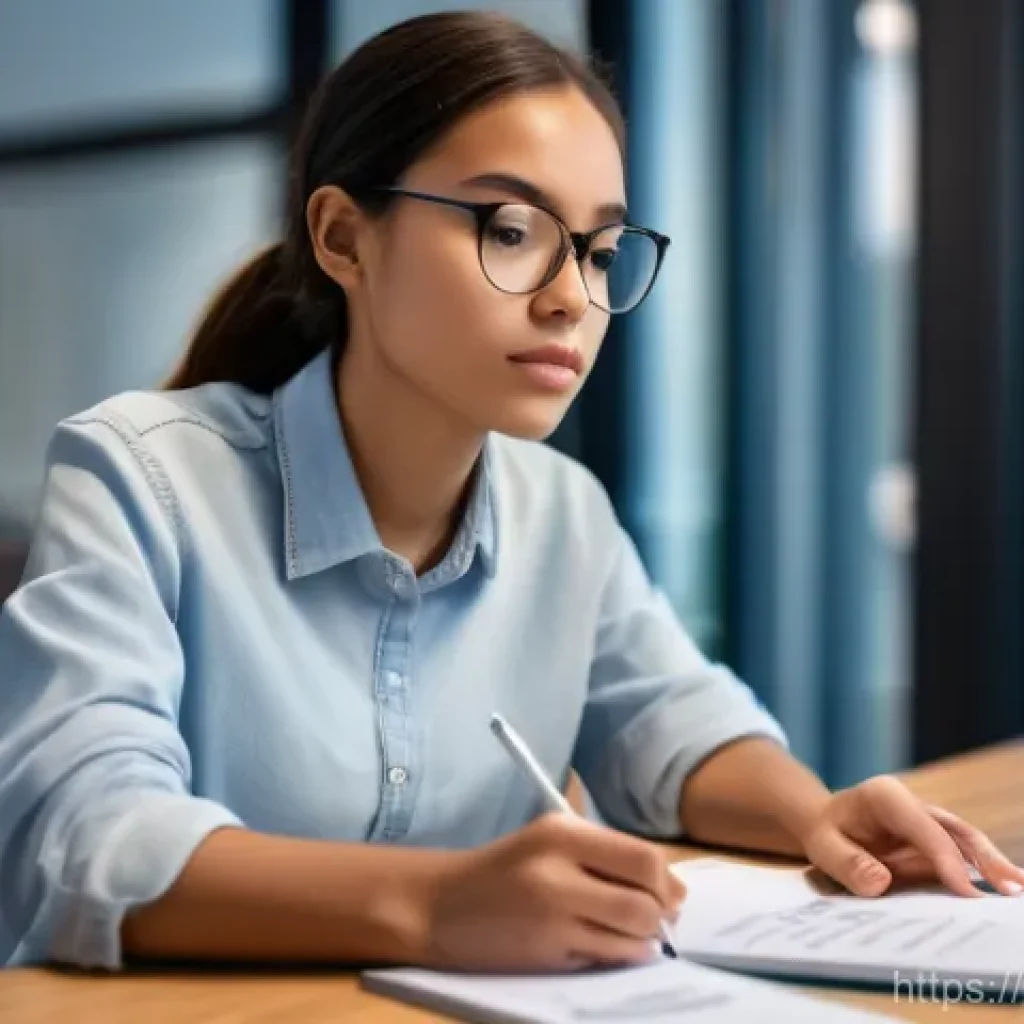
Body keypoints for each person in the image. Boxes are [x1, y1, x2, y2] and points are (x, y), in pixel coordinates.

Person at [0, 11, 1020, 976]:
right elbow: (83, 838)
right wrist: (439, 906)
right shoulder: (141, 477)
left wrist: (817, 817)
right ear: (344, 238)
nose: (571, 294)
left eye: (601, 250)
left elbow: (674, 722)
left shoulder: (559, 511)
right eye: (508, 228)